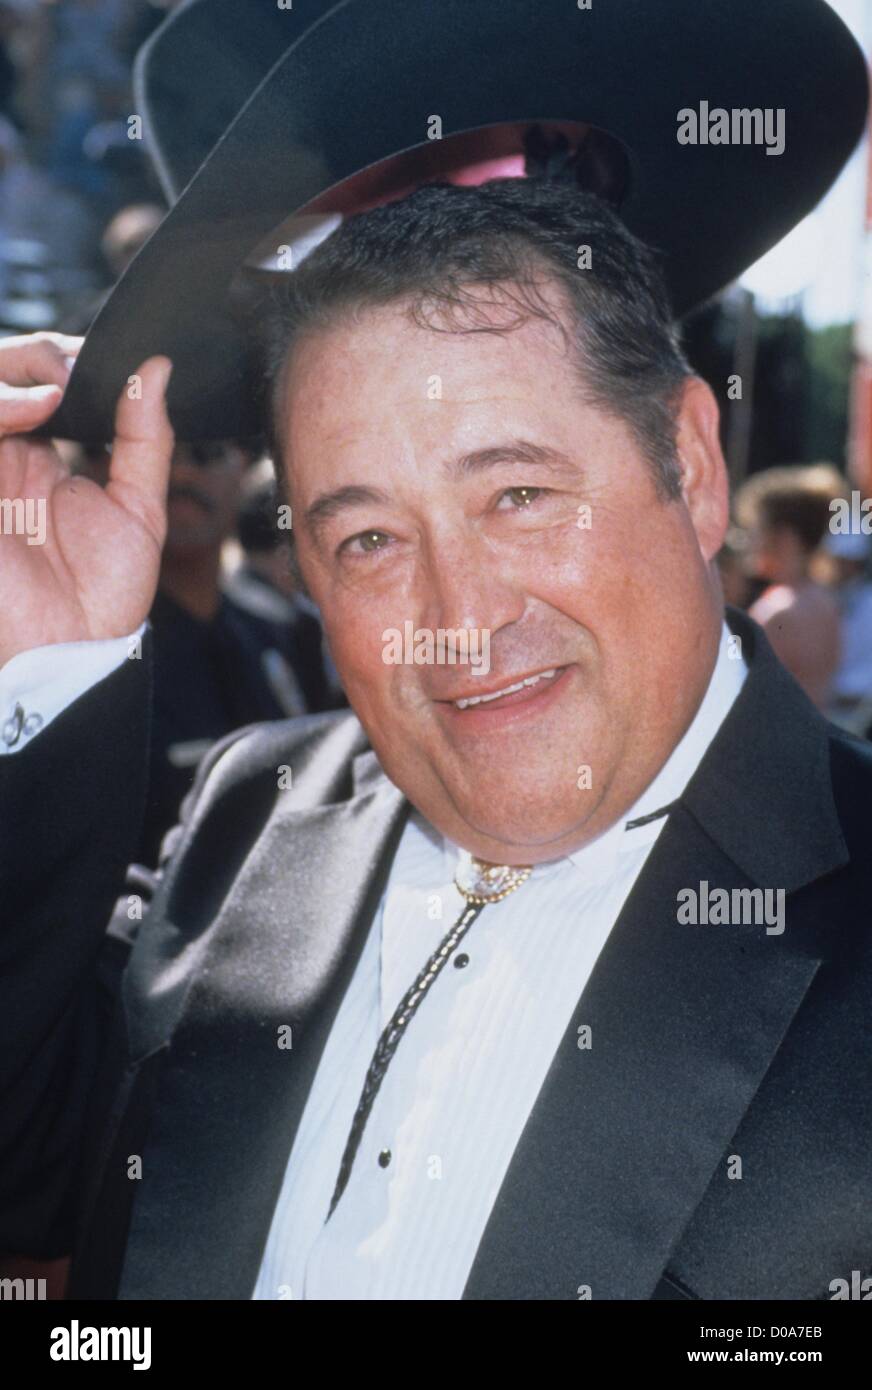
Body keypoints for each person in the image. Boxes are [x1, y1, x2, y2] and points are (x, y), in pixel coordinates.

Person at [1, 174, 871, 1303]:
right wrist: (45, 660)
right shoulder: (251, 817)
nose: (459, 623)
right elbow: (31, 1167)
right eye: (367, 538)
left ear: (690, 469)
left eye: (517, 494)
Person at [735, 464, 843, 708]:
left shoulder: (776, 610)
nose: (749, 541)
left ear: (784, 538)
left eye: (756, 529)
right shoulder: (826, 602)